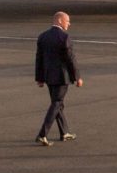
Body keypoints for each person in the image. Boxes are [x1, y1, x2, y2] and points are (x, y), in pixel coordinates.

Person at [34, 11, 83, 146]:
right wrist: (77, 77)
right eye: (67, 21)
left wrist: (40, 78)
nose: (69, 23)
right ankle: (43, 134)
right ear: (60, 21)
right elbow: (70, 59)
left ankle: (64, 132)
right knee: (56, 103)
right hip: (62, 77)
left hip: (49, 76)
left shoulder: (43, 36)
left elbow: (39, 59)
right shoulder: (64, 37)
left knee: (58, 104)